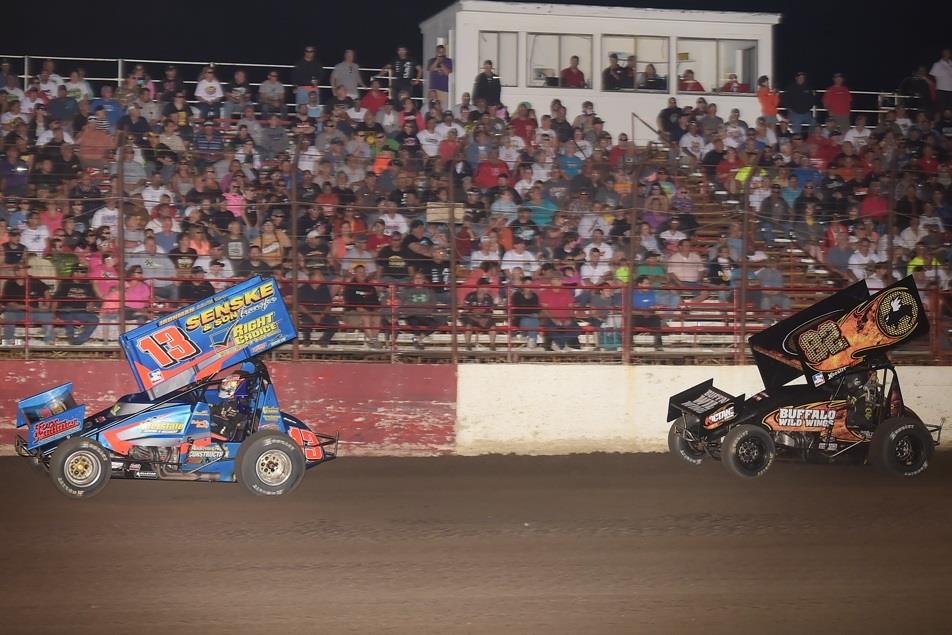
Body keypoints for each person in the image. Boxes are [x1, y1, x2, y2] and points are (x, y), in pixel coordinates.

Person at [298, 268, 340, 347]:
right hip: (308, 314)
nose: (322, 277)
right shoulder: (303, 288)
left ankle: (324, 340)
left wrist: (321, 315)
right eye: (319, 275)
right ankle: (306, 340)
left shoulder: (324, 288)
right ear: (312, 277)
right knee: (306, 323)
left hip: (322, 314)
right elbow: (300, 305)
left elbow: (329, 304)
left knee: (334, 323)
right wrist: (312, 315)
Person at [399, 271, 441, 350]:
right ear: (413, 280)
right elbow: (401, 302)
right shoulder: (407, 291)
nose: (418, 280)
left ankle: (419, 338)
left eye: (420, 278)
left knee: (434, 324)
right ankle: (419, 341)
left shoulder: (429, 291)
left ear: (424, 280)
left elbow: (433, 303)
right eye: (416, 278)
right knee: (414, 322)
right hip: (412, 315)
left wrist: (427, 311)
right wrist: (407, 311)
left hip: (425, 315)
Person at [211, 371, 253, 441]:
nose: (228, 384)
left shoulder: (242, 404)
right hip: (218, 428)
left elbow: (232, 423)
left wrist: (213, 416)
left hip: (227, 434)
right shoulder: (227, 401)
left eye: (232, 383)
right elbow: (218, 410)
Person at [930, 48, 952, 114]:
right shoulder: (937, 64)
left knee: (950, 110)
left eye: (948, 52)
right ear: (942, 54)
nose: (946, 54)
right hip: (942, 90)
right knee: (941, 110)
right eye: (945, 52)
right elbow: (933, 77)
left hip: (951, 90)